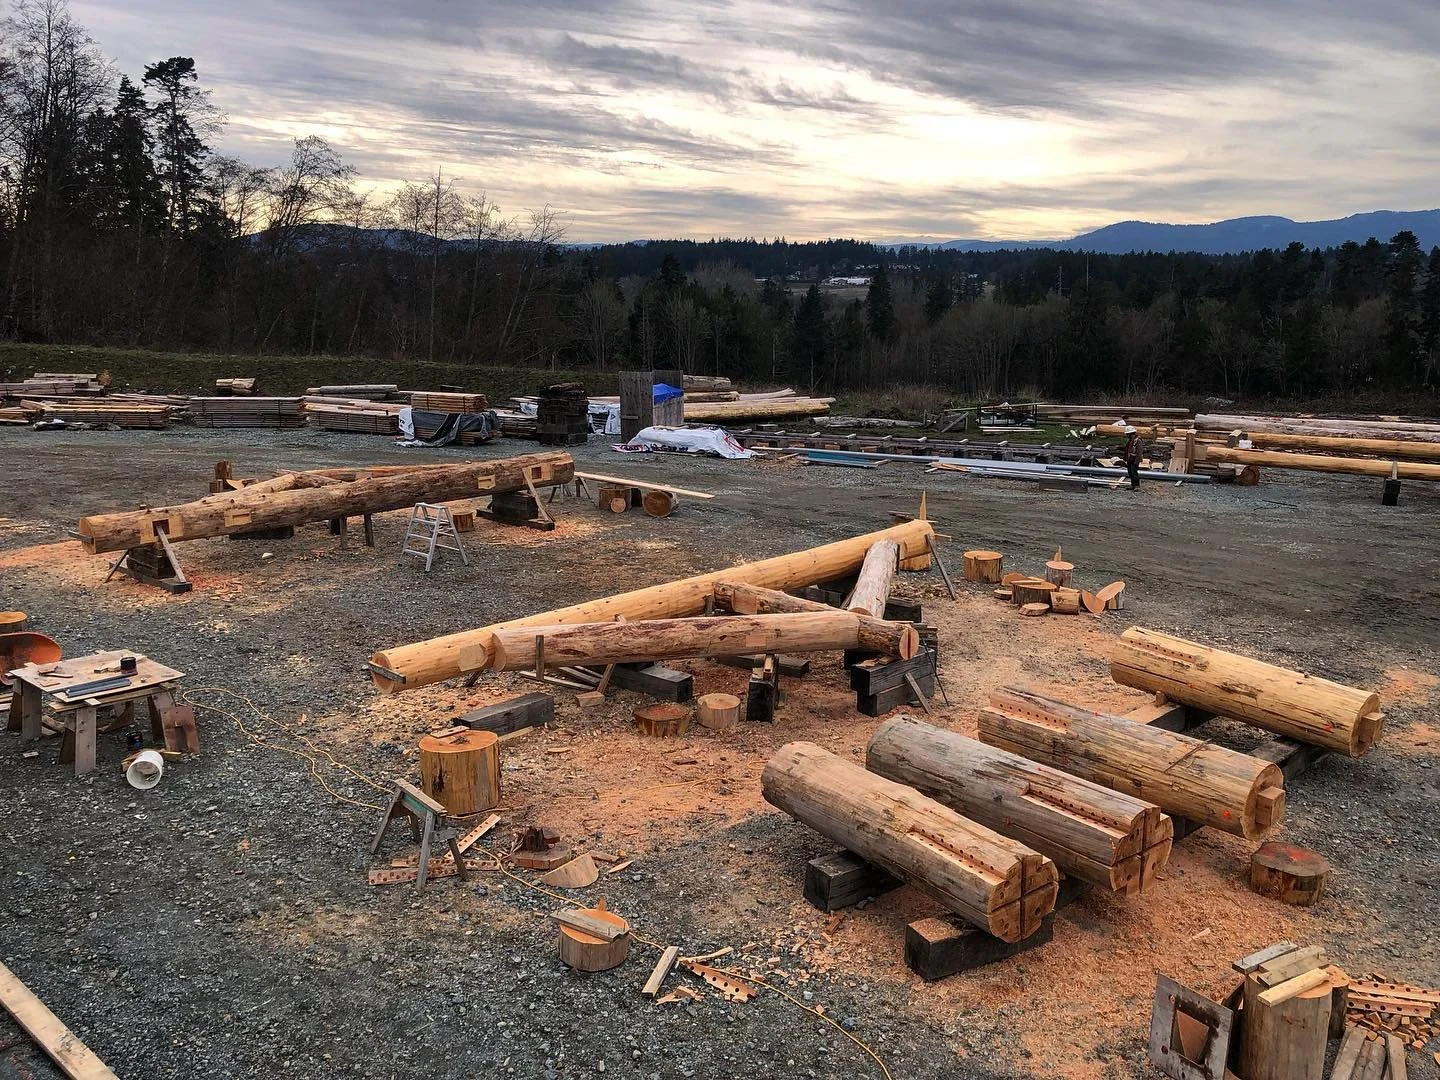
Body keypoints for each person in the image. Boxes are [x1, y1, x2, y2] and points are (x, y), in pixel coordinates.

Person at [1119, 420, 1141, 490]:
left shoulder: (1138, 441)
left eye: (1128, 434)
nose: (1127, 436)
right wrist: (1121, 449)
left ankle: (1137, 486)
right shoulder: (1130, 441)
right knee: (1130, 473)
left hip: (1134, 460)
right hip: (1130, 459)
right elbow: (1127, 449)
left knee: (1134, 473)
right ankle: (1133, 485)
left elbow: (1139, 452)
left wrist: (1137, 461)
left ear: (1131, 433)